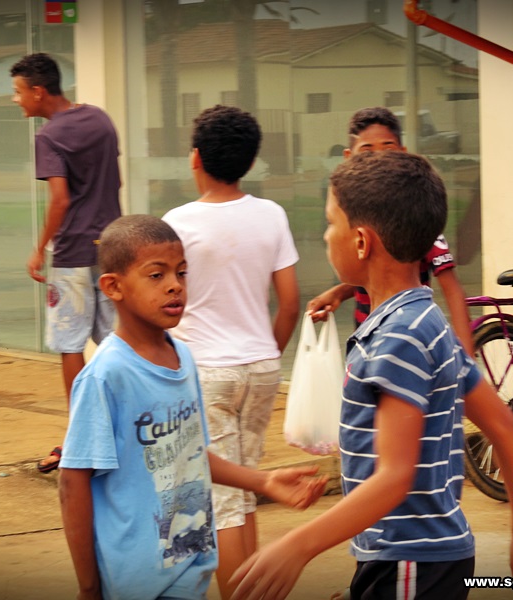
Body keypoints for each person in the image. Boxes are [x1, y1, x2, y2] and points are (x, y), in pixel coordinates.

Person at [230, 152, 513, 600]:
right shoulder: (426, 321)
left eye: (331, 223)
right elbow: (506, 430)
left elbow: (395, 477)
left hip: (408, 563)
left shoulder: (397, 340)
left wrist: (296, 546)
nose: (325, 235)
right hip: (420, 558)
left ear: (362, 242)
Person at [58, 214, 326, 600]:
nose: (175, 286)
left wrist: (263, 482)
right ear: (113, 287)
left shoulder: (182, 357)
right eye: (157, 275)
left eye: (181, 273)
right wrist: (88, 587)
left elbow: (191, 453)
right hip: (137, 581)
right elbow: (72, 481)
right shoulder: (107, 375)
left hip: (190, 564)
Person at [162, 105, 301, 598]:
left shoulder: (176, 223)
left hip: (206, 371)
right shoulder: (272, 214)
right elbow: (289, 303)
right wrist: (264, 353)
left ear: (195, 158)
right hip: (261, 368)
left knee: (219, 504)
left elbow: (163, 299)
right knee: (245, 491)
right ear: (251, 160)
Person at [10, 53, 122, 473]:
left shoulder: (49, 136)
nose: (16, 99)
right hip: (112, 248)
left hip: (73, 253)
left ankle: (81, 438)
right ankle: (123, 428)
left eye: (19, 91)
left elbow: (60, 199)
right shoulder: (100, 120)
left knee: (70, 344)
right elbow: (115, 181)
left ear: (39, 91)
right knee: (115, 342)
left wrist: (40, 247)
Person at [306, 106, 475, 357]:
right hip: (366, 340)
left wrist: (466, 361)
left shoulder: (413, 218)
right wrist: (340, 291)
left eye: (388, 149)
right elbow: (374, 272)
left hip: (402, 344)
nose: (379, 159)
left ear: (403, 153)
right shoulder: (353, 218)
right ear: (348, 157)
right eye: (367, 151)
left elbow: (452, 290)